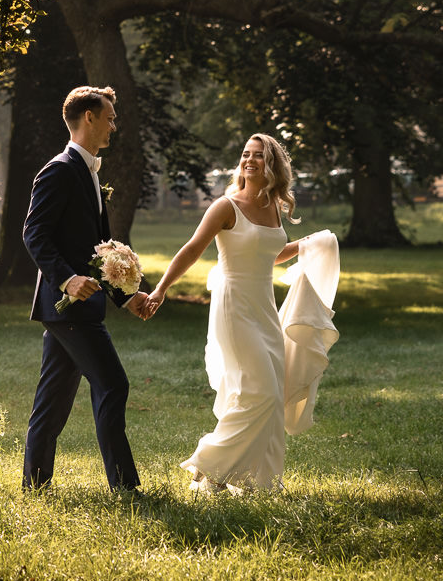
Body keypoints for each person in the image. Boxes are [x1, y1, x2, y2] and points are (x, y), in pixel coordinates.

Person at [145, 133, 339, 493]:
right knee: (262, 393)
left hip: (264, 307)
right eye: (246, 155)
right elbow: (192, 248)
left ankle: (254, 482)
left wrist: (309, 244)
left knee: (268, 394)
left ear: (273, 166)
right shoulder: (225, 207)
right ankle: (208, 463)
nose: (250, 161)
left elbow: (267, 253)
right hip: (233, 306)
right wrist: (161, 289)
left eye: (259, 156)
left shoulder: (273, 207)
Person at [21, 85, 152, 493]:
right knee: (113, 384)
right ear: (89, 117)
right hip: (68, 305)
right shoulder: (60, 169)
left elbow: (100, 252)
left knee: (53, 402)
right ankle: (125, 488)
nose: (114, 125)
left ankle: (34, 486)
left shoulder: (90, 172)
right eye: (110, 117)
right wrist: (66, 279)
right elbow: (34, 233)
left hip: (77, 309)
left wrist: (126, 297)